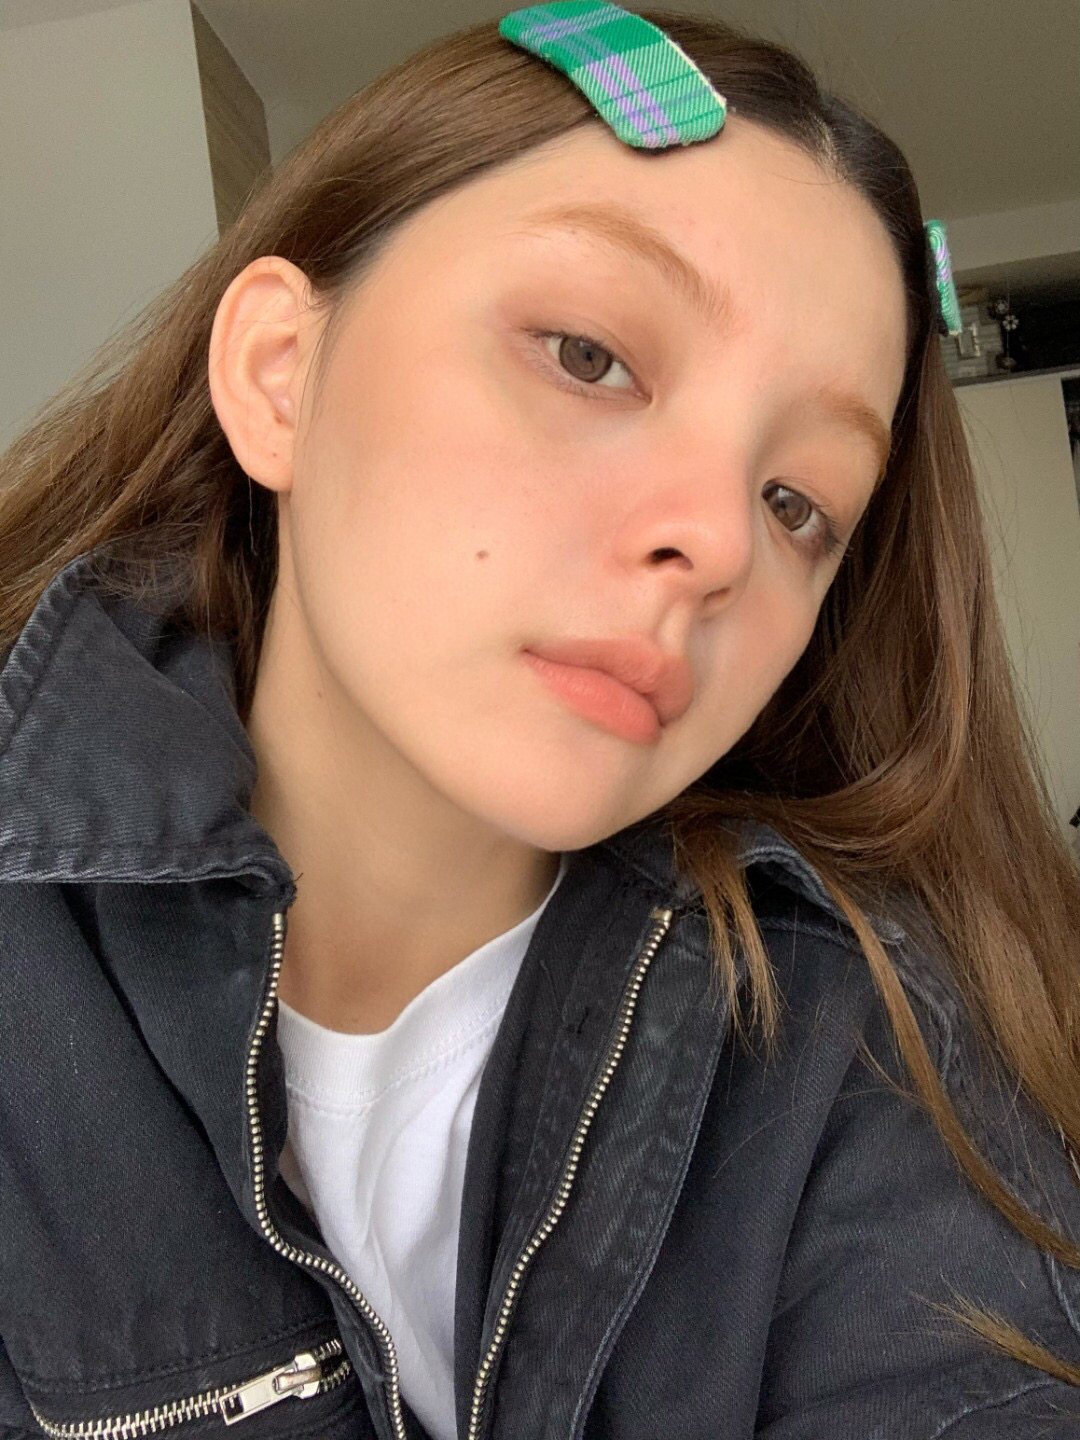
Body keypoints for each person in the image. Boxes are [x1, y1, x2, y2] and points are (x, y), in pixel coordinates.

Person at [1, 5, 1078, 1438]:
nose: (717, 541)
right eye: (587, 355)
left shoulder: (867, 1040)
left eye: (797, 502)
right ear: (279, 371)